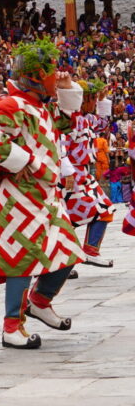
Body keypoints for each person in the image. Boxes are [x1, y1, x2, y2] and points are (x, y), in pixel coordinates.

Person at [0, 40, 85, 350]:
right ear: (34, 76)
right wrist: (25, 161)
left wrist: (66, 86)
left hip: (46, 196)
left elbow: (65, 123)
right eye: (51, 70)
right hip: (20, 196)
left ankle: (39, 301)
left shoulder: (39, 105)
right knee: (19, 259)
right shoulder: (10, 104)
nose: (56, 73)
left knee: (68, 251)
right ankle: (12, 326)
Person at [62, 79, 115, 269]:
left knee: (102, 210)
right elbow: (62, 147)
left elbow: (103, 123)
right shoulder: (69, 119)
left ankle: (84, 253)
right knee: (70, 218)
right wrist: (67, 172)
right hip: (71, 173)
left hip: (83, 173)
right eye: (93, 99)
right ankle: (71, 257)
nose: (94, 103)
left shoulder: (86, 118)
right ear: (83, 100)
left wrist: (103, 101)